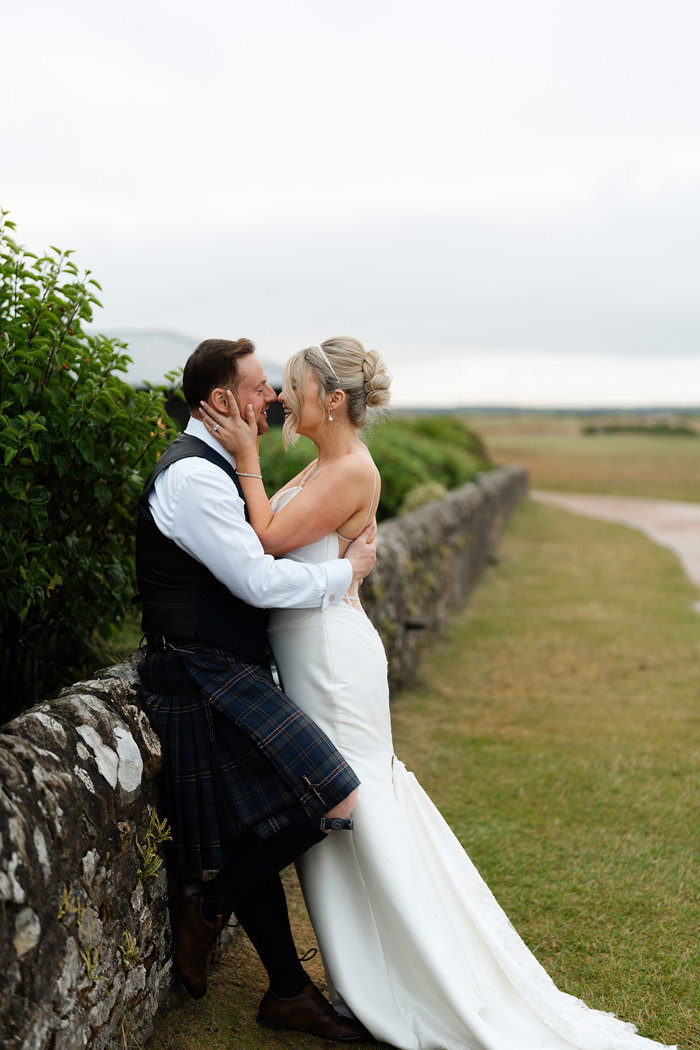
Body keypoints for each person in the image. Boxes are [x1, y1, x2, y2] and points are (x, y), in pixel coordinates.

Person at [199, 336, 677, 1050]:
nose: (280, 399)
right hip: (311, 652)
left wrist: (245, 459)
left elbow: (265, 538)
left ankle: (409, 977)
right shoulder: (324, 465)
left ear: (332, 401)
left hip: (332, 661)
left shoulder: (350, 468)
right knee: (334, 812)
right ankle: (362, 971)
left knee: (348, 801)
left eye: (293, 387)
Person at [135, 337, 377, 1043]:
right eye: (259, 385)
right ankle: (206, 906)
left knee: (261, 824)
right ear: (219, 402)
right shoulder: (194, 479)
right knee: (330, 791)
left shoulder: (221, 467)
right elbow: (258, 580)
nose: (271, 396)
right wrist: (345, 575)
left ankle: (288, 992)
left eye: (277, 386)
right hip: (196, 668)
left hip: (222, 665)